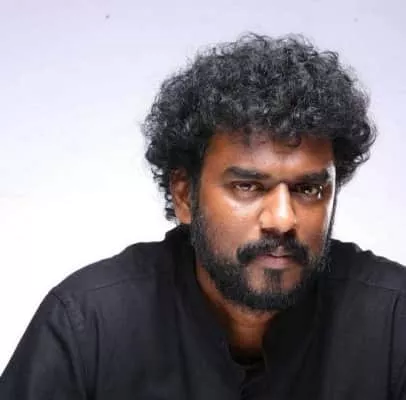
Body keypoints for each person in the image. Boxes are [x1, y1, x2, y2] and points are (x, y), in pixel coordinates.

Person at [1, 33, 405, 400]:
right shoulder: (89, 323)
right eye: (248, 186)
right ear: (184, 194)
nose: (283, 220)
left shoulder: (393, 320)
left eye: (308, 189)